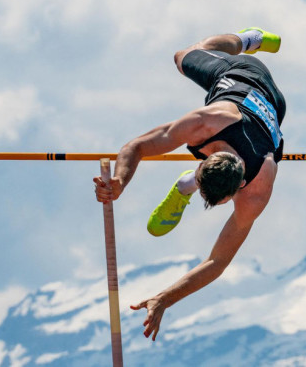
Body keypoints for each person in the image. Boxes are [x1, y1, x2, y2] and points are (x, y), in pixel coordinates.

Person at [93, 27, 286, 341]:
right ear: (204, 159)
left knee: (201, 53)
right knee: (184, 55)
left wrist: (165, 298)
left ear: (239, 189)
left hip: (261, 100)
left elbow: (218, 260)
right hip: (236, 80)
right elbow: (136, 146)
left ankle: (185, 186)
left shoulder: (259, 184)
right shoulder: (202, 123)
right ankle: (251, 38)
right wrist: (120, 181)